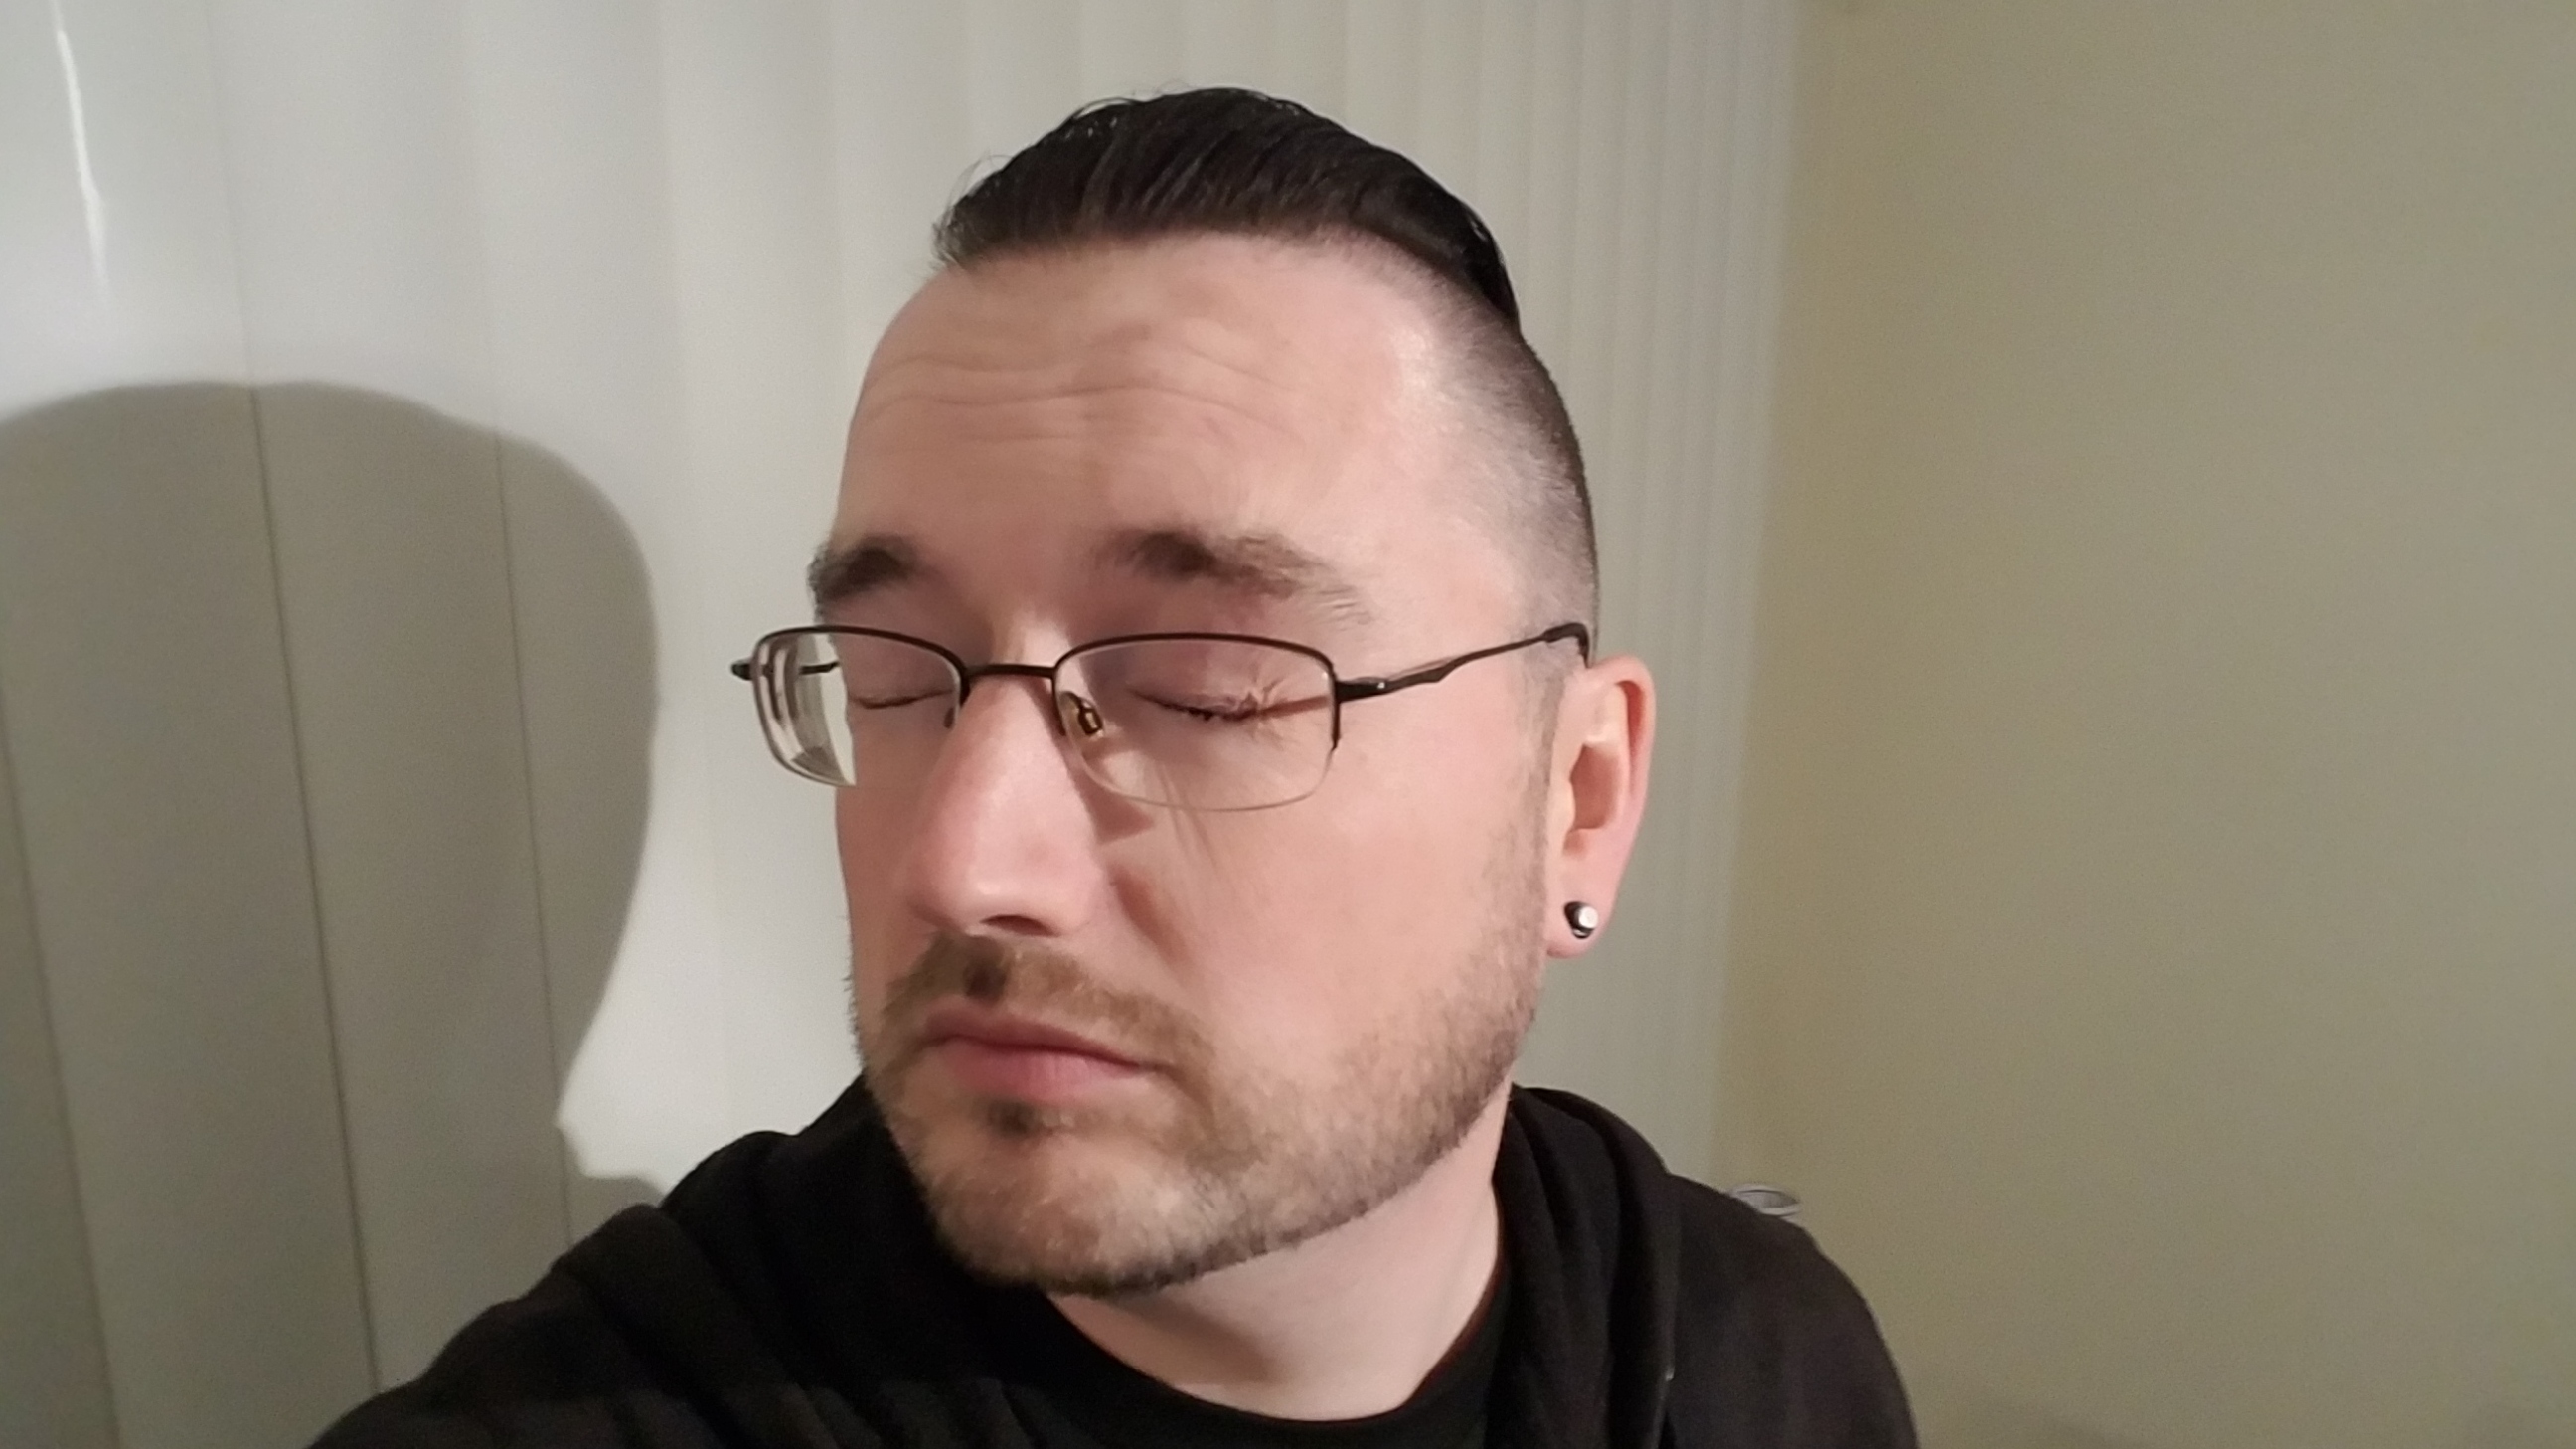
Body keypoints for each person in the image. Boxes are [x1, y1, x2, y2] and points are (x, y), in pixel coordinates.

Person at [313, 87, 1914, 1449]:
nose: (962, 862)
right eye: (892, 679)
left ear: (1578, 801)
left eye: (1207, 689)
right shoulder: (606, 1396)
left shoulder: (1762, 1357)